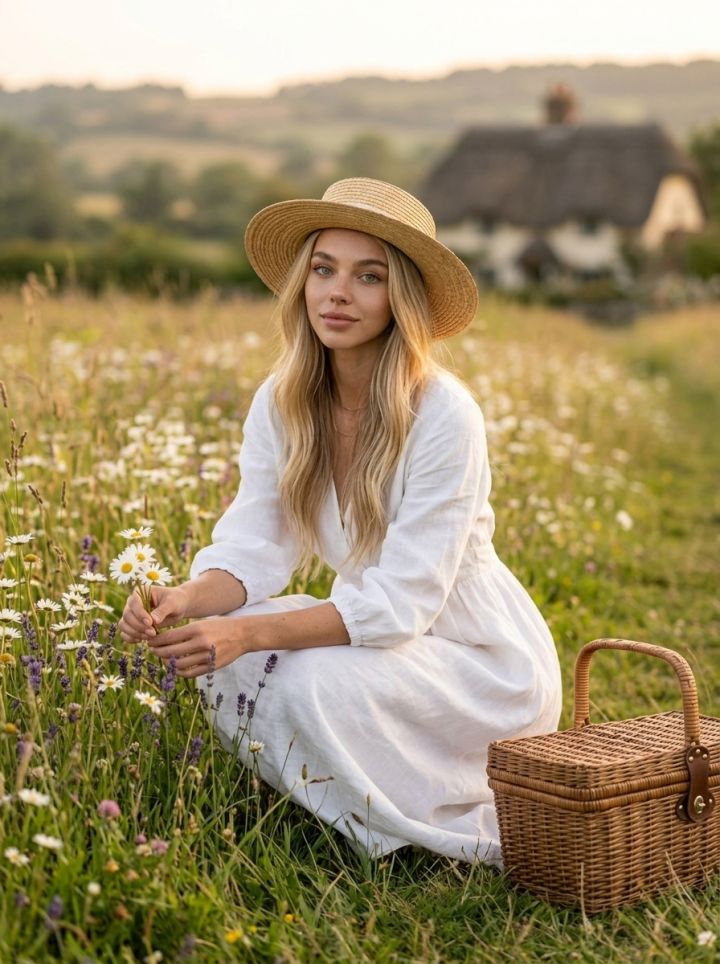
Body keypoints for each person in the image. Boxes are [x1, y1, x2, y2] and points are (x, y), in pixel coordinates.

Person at [119, 177, 562, 865]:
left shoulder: (444, 414)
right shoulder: (283, 400)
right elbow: (258, 545)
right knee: (225, 664)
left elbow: (403, 603)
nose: (337, 293)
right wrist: (184, 599)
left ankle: (398, 830)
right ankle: (347, 805)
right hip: (379, 639)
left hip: (481, 666)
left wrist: (248, 631)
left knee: (293, 672)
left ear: (402, 298)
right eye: (323, 269)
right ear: (302, 281)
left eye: (368, 277)